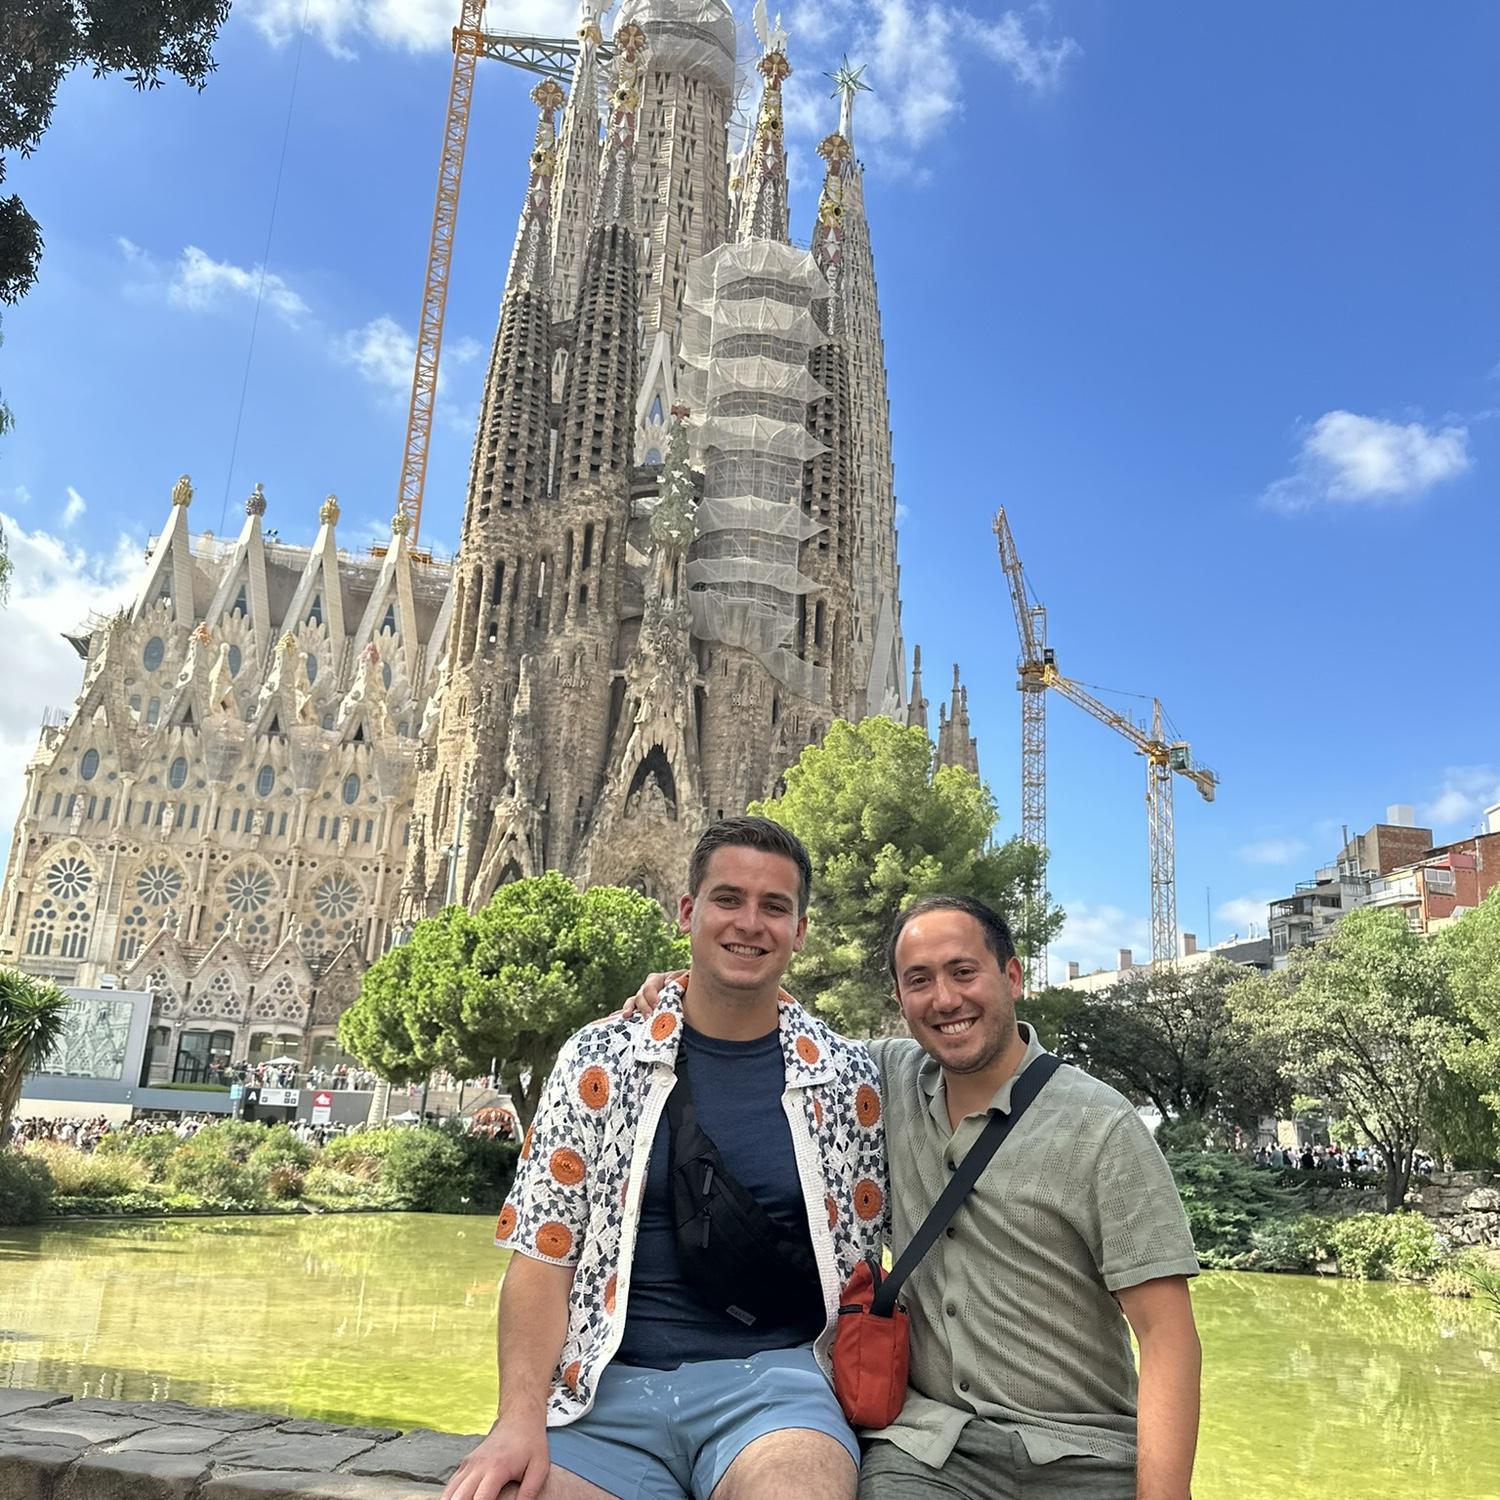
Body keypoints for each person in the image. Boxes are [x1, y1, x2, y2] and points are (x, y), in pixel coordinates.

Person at [627, 893, 1202, 1500]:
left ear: (1012, 976)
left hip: (1082, 1451)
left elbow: (1167, 1337)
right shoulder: (883, 1081)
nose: (945, 999)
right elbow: (778, 1020)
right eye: (919, 981)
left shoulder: (1101, 1126)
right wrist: (685, 988)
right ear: (900, 1001)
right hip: (930, 1452)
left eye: (963, 972)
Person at [441, 817, 887, 1500]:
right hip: (602, 1398)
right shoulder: (601, 1058)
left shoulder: (846, 1077)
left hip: (776, 1395)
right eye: (728, 899)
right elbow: (541, 1256)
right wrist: (517, 1419)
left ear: (800, 931)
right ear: (688, 912)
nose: (750, 923)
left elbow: (958, 1066)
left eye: (775, 907)